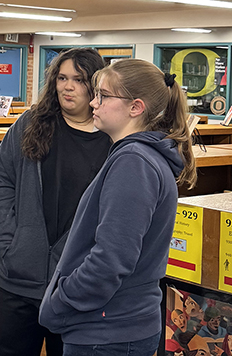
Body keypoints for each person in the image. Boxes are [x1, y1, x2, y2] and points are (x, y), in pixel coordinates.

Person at [39, 58, 197, 356]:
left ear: (135, 107)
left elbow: (112, 259)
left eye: (104, 96)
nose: (94, 104)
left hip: (107, 331)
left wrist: (63, 299)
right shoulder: (138, 156)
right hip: (117, 324)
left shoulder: (134, 162)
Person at [0, 48, 112, 356]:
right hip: (18, 278)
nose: (66, 87)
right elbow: (3, 178)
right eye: (61, 78)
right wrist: (9, 239)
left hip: (74, 285)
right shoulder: (31, 123)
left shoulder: (112, 140)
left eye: (78, 80)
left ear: (96, 87)